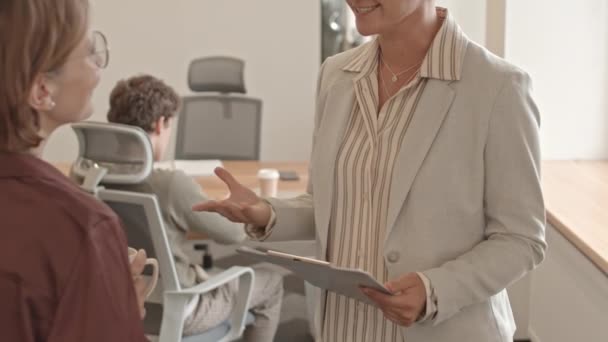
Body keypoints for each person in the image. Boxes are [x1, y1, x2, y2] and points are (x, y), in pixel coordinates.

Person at [194, 1, 547, 341]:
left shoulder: (498, 86)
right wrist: (267, 212)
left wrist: (435, 289)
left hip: (444, 330)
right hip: (345, 326)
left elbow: (521, 239)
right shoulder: (336, 74)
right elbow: (332, 206)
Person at [0, 1, 149, 341]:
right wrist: (112, 313)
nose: (98, 68)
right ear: (42, 90)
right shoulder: (80, 228)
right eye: (89, 51)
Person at [106, 74, 284, 341]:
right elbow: (233, 235)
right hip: (180, 310)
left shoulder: (89, 176)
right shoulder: (169, 184)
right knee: (271, 281)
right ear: (160, 123)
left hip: (118, 302)